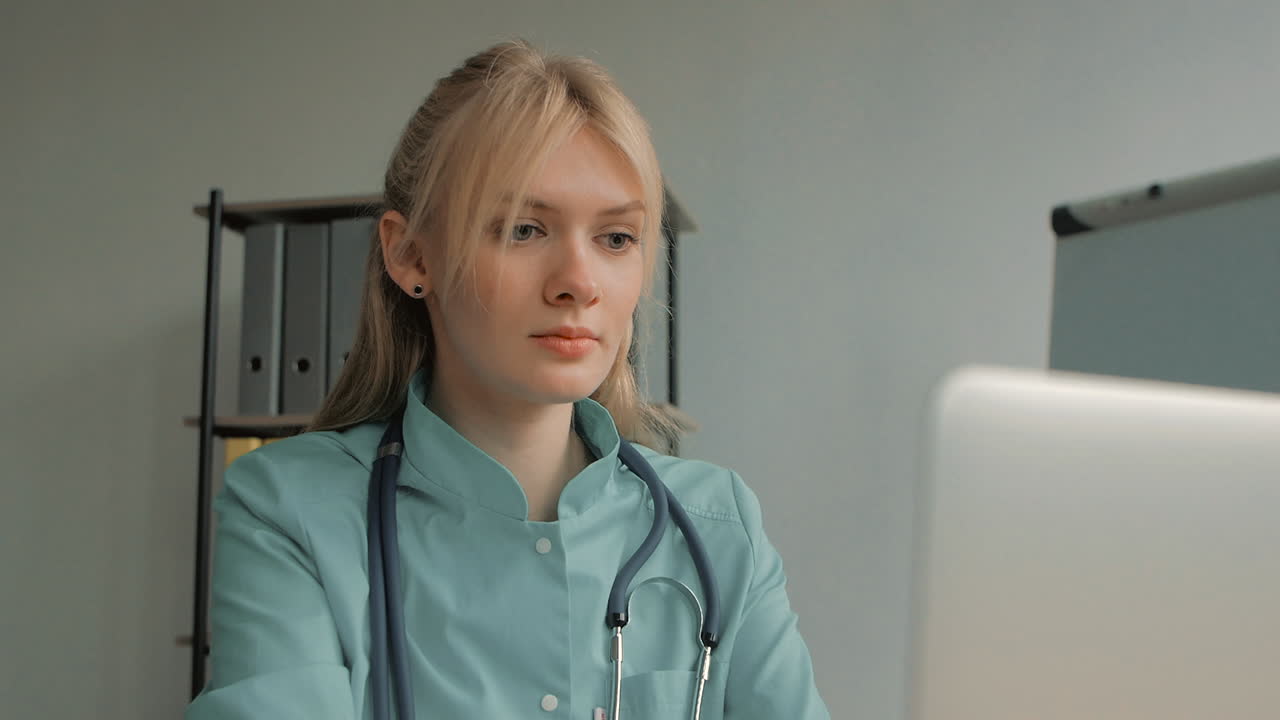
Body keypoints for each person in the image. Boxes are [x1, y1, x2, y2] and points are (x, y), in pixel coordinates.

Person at [185, 39, 829, 720]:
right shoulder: (290, 512)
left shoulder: (720, 528)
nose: (579, 283)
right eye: (525, 229)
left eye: (615, 239)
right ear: (410, 255)